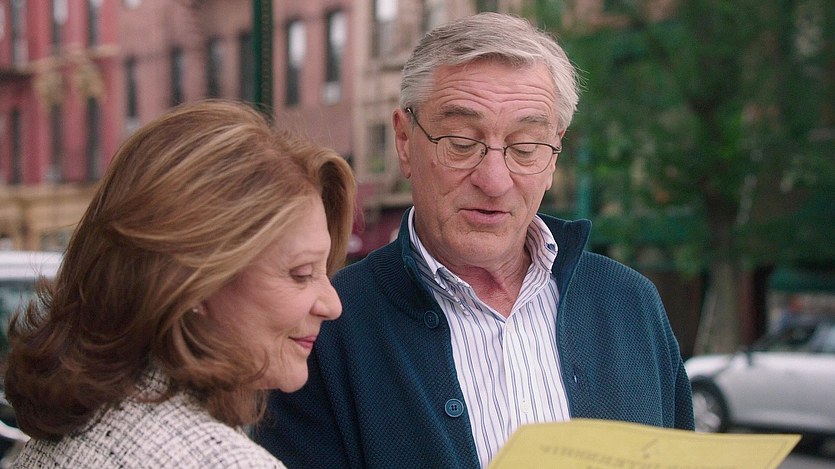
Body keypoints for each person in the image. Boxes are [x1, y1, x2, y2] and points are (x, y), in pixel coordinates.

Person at [256, 12, 694, 469]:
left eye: (525, 148)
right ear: (404, 140)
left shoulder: (630, 304)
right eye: (462, 142)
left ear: (554, 155)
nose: (494, 180)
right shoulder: (327, 328)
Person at [3, 99, 356, 468]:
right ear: (193, 280)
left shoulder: (67, 434)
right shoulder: (223, 461)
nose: (332, 305)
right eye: (301, 274)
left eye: (325, 272)